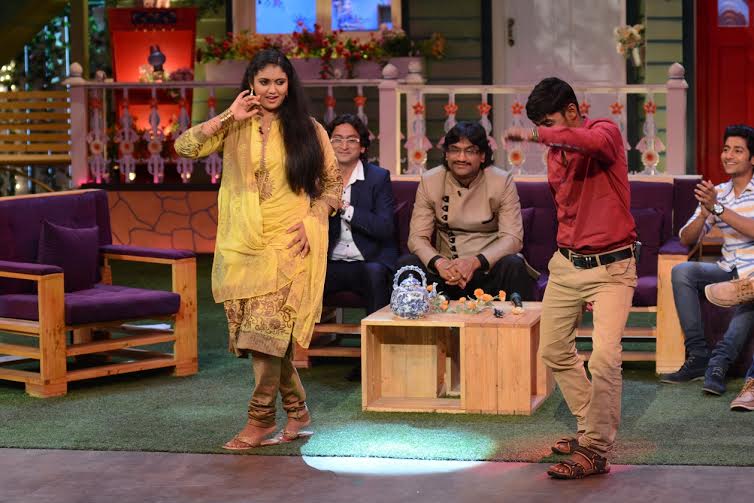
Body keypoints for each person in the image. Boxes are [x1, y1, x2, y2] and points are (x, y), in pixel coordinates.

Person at [174, 49, 341, 450]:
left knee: (266, 335)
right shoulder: (235, 125)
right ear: (251, 83)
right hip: (242, 245)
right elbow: (185, 147)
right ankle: (298, 412)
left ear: (289, 84)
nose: (272, 90)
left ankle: (260, 419)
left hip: (289, 243)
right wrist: (228, 116)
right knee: (259, 339)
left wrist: (314, 218)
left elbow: (333, 185)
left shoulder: (310, 130)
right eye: (264, 82)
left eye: (279, 82)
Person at [504, 77, 637, 479]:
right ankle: (588, 426)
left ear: (573, 111)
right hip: (566, 264)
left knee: (605, 356)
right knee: (553, 350)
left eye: (550, 123)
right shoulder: (556, 154)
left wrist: (537, 135)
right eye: (540, 126)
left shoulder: (605, 133)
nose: (546, 132)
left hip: (612, 267)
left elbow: (591, 144)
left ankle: (595, 448)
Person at [660, 125, 754, 396]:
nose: (728, 155)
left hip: (751, 273)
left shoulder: (721, 200)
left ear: (752, 158)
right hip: (727, 268)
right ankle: (699, 355)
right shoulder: (718, 192)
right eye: (726, 149)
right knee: (682, 271)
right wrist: (703, 214)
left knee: (749, 291)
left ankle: (719, 363)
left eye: (738, 150)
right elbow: (686, 238)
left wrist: (717, 209)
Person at [401, 121, 534, 301]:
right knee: (408, 264)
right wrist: (440, 263)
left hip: (487, 269)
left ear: (482, 156)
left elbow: (513, 238)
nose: (461, 158)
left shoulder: (501, 182)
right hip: (446, 272)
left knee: (514, 264)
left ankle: (518, 318)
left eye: (470, 151)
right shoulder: (430, 181)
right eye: (455, 150)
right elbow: (417, 237)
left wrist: (474, 262)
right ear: (446, 154)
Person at [324, 113, 397, 382]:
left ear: (363, 146)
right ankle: (294, 352)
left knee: (375, 274)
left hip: (366, 261)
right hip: (330, 263)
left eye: (351, 140)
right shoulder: (318, 177)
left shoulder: (378, 178)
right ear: (327, 144)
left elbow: (384, 227)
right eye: (337, 139)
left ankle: (373, 359)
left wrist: (345, 208)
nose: (344, 146)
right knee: (299, 272)